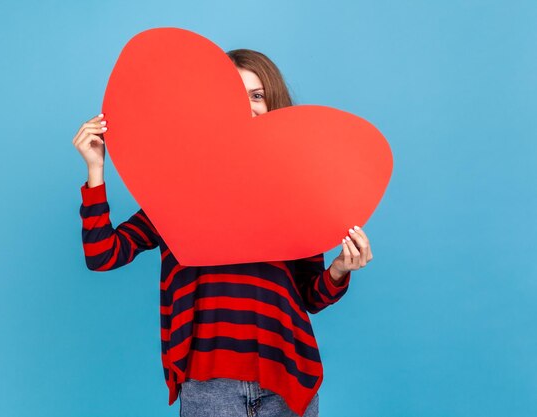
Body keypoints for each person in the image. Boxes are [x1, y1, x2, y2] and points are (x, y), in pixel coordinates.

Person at [72, 48, 373, 417]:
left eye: (257, 96)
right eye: (232, 95)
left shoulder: (294, 193)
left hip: (288, 375)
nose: (247, 106)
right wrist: (96, 171)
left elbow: (310, 294)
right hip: (208, 384)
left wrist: (341, 269)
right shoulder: (177, 192)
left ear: (273, 105)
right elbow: (103, 255)